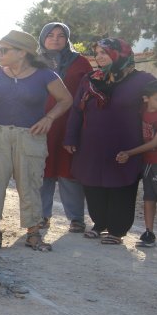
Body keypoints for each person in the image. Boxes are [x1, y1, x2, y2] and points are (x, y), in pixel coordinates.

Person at [0, 30, 73, 251]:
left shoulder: (46, 75)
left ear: (22, 53)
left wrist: (49, 117)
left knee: (30, 183)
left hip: (30, 136)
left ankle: (33, 232)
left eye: (4, 50)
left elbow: (65, 100)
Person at [64, 38, 156, 245]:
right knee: (93, 183)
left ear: (121, 54)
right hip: (91, 143)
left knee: (122, 184)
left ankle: (117, 230)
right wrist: (70, 136)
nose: (99, 57)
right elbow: (77, 110)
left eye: (104, 52)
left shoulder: (142, 80)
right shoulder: (90, 79)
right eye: (97, 53)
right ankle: (99, 223)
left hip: (125, 143)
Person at [37, 22, 93, 233]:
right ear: (43, 38)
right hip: (41, 123)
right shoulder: (33, 61)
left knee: (69, 172)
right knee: (42, 170)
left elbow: (88, 93)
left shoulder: (80, 62)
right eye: (50, 35)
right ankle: (41, 215)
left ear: (67, 39)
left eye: (61, 35)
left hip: (71, 123)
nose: (56, 39)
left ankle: (76, 218)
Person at [116, 80, 157, 250]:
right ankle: (149, 233)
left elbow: (156, 142)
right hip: (148, 163)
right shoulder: (142, 111)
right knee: (148, 198)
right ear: (146, 98)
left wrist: (129, 153)